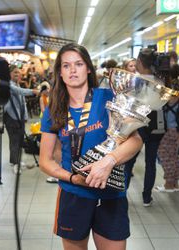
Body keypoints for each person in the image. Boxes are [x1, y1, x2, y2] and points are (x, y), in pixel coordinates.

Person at [39, 43, 142, 250]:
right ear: (60, 72)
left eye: (78, 64)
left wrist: (108, 162)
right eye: (66, 66)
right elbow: (45, 161)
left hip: (111, 193)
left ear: (88, 68)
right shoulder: (54, 109)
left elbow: (136, 140)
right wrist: (72, 178)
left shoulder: (109, 98)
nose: (73, 70)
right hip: (73, 194)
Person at [125, 48, 166, 206]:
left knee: (129, 160)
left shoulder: (134, 81)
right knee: (150, 162)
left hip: (137, 124)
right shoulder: (160, 82)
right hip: (157, 125)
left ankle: (123, 194)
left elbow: (128, 105)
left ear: (140, 62)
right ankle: (146, 197)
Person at [4, 65, 39, 174]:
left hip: (19, 117)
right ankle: (16, 164)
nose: (17, 75)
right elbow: (20, 92)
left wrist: (24, 117)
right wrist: (33, 91)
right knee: (15, 140)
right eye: (15, 72)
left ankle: (14, 161)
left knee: (17, 140)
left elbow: (22, 103)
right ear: (9, 74)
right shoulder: (9, 85)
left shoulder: (16, 83)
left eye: (18, 73)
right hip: (11, 117)